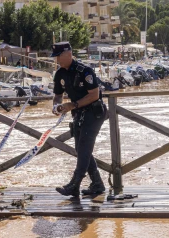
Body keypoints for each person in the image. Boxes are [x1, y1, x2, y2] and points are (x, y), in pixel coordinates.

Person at [51, 42, 107, 197]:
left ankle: (74, 184)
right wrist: (56, 106)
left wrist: (73, 104)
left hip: (94, 112)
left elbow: (94, 95)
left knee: (83, 148)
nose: (57, 60)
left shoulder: (85, 71)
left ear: (68, 54)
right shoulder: (60, 74)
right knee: (81, 149)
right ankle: (97, 183)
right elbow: (57, 95)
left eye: (58, 57)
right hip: (78, 113)